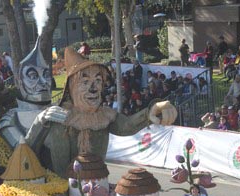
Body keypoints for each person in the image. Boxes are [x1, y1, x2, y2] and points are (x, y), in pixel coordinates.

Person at [24, 47, 177, 177]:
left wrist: (152, 111)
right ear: (71, 88)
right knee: (59, 128)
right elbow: (27, 151)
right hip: (58, 192)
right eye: (85, 82)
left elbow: (128, 126)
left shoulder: (104, 116)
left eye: (97, 81)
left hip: (96, 185)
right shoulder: (57, 116)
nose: (94, 88)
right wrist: (39, 122)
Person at [0, 37, 52, 149]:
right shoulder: (10, 120)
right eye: (33, 76)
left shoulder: (62, 110)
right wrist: (39, 123)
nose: (43, 81)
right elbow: (22, 153)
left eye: (46, 75)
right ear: (19, 82)